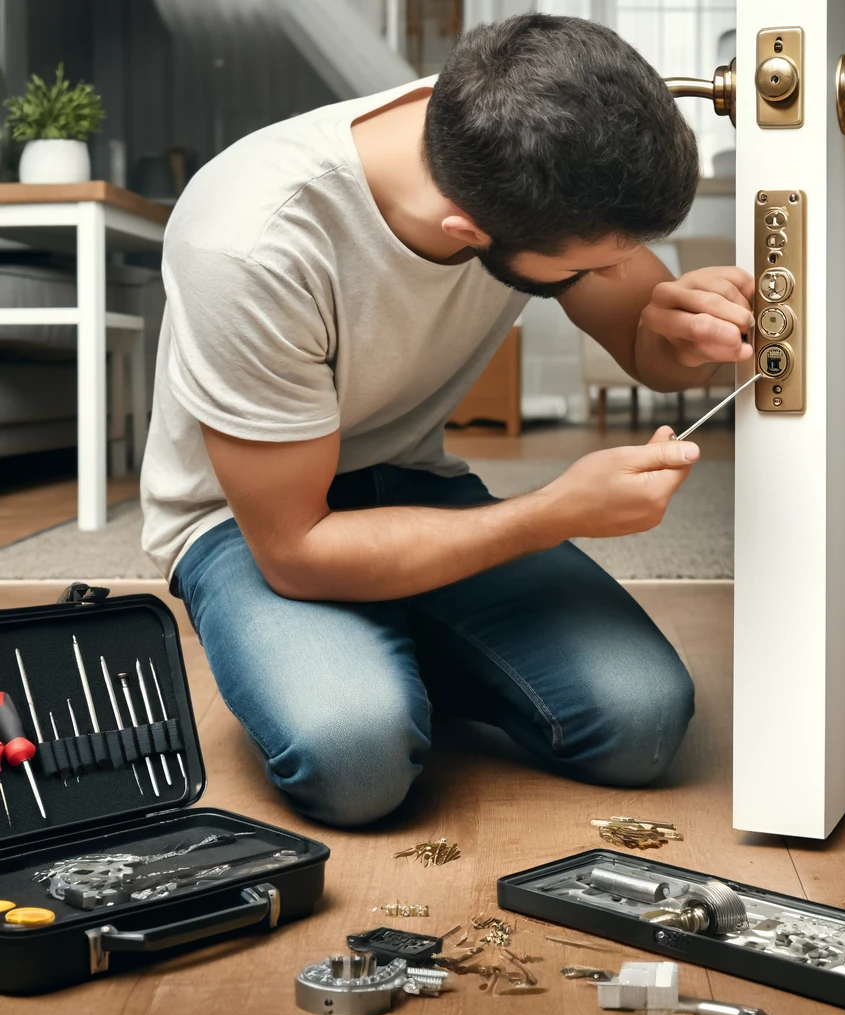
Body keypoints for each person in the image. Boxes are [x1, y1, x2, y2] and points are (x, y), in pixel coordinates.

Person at [140, 13, 754, 826]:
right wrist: (550, 515)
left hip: (413, 487)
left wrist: (690, 336)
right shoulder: (250, 243)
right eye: (596, 267)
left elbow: (644, 341)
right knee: (355, 761)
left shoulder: (528, 131)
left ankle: (397, 641)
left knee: (639, 722)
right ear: (468, 235)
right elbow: (297, 553)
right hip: (255, 528)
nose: (621, 274)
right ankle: (380, 661)